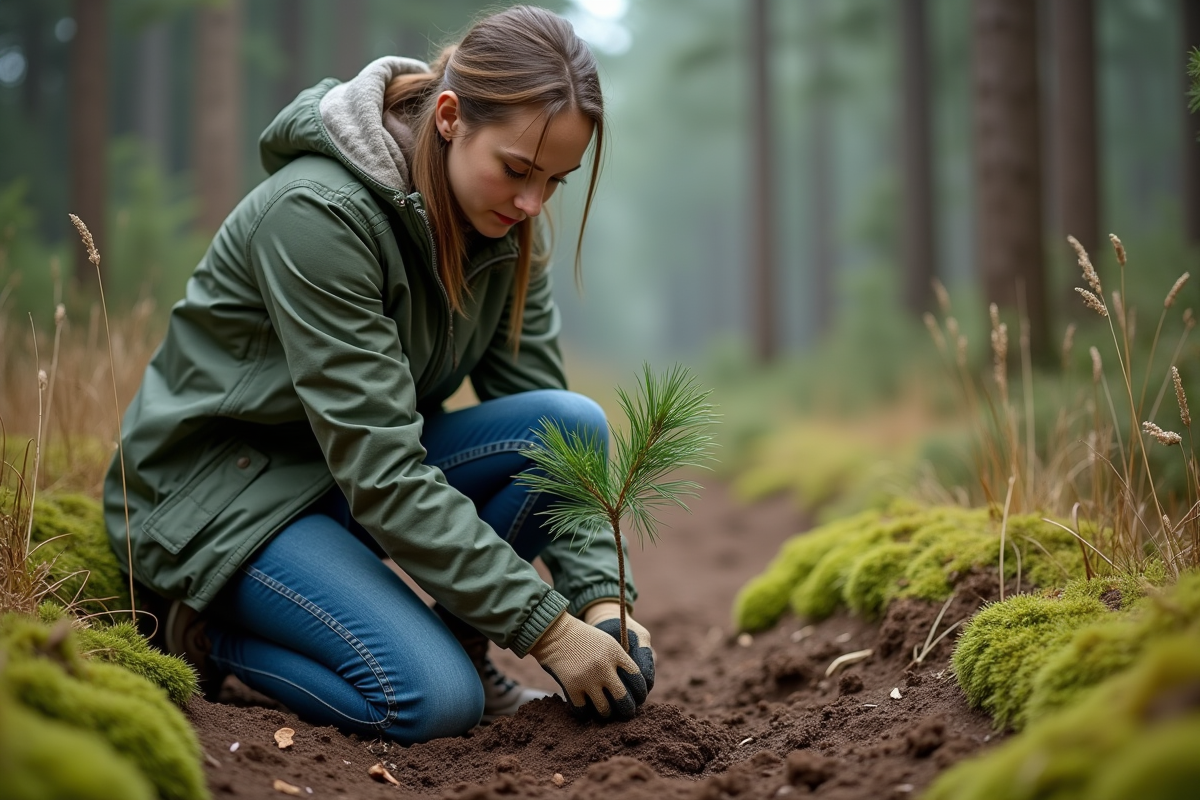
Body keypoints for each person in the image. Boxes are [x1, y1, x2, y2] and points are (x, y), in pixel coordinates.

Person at [103, 5, 654, 745]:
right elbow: (383, 466)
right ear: (451, 116)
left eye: (556, 181)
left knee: (569, 421)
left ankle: (456, 644)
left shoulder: (502, 221)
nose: (532, 204)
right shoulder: (319, 215)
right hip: (223, 498)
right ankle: (208, 633)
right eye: (519, 170)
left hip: (334, 479)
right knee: (427, 702)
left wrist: (599, 600)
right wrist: (546, 630)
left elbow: (548, 431)